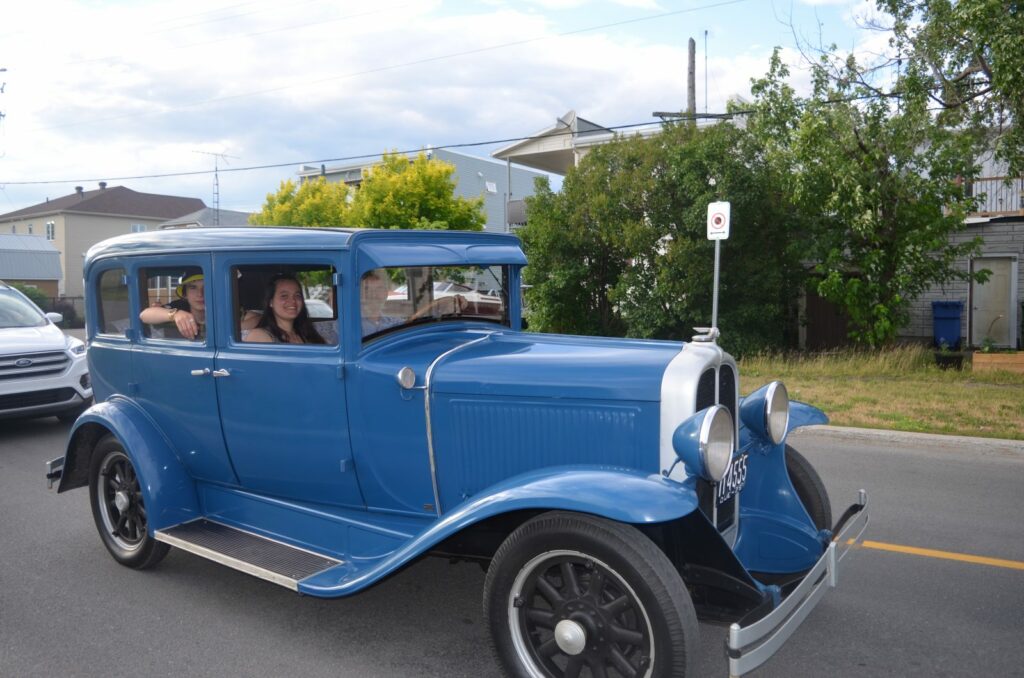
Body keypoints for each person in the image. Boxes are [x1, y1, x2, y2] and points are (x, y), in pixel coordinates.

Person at [243, 274, 325, 344]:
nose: (293, 301)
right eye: (284, 296)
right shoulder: (259, 336)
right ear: (270, 302)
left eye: (297, 295)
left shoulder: (308, 334)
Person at [139, 272, 205, 340]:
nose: (200, 294)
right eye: (193, 287)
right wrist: (175, 314)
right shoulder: (180, 306)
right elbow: (144, 315)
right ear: (185, 293)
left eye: (206, 287)